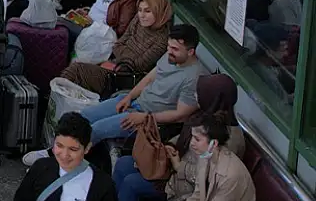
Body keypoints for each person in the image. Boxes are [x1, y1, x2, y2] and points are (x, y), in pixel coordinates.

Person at [23, 24, 210, 162]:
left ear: (191, 51)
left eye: (175, 49)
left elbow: (180, 115)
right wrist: (129, 97)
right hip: (134, 103)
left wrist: (144, 117)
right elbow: (148, 79)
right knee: (82, 116)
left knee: (95, 130)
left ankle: (61, 161)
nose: (169, 52)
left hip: (148, 119)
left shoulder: (194, 78)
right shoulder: (170, 57)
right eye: (169, 47)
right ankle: (55, 151)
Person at [112, 75, 244, 201]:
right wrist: (169, 147)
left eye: (200, 93)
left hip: (184, 188)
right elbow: (184, 138)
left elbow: (207, 177)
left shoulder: (229, 139)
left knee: (131, 184)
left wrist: (179, 165)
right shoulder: (205, 116)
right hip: (172, 168)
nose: (195, 96)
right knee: (123, 164)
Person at [60, 0, 172, 96]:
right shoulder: (137, 20)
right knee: (72, 72)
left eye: (147, 11)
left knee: (76, 70)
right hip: (114, 65)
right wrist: (124, 56)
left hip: (123, 79)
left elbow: (138, 65)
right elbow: (117, 45)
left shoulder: (162, 39)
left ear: (159, 12)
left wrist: (121, 55)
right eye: (140, 10)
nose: (142, 15)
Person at [12, 113, 118, 201]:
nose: (64, 155)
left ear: (87, 148)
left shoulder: (103, 185)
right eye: (59, 145)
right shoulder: (40, 168)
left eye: (73, 149)